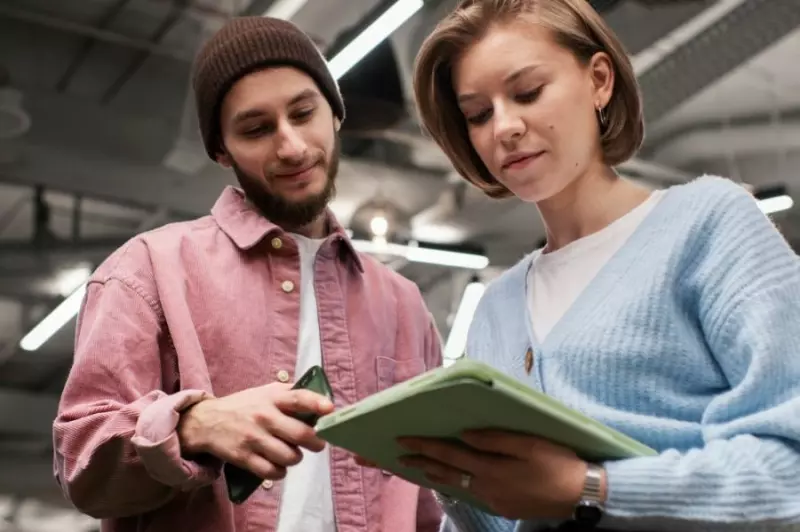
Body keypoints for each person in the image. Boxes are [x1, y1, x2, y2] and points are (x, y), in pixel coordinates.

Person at [401, 0, 800, 530]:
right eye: (478, 114)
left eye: (527, 92)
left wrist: (587, 488)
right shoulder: (496, 309)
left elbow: (789, 466)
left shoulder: (708, 224)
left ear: (599, 80)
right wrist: (448, 475)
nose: (504, 127)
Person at [52, 16, 443, 532]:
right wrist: (191, 426)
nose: (292, 147)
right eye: (256, 129)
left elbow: (428, 500)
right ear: (221, 150)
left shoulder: (403, 303)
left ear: (336, 114)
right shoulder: (148, 270)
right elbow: (81, 464)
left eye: (304, 113)